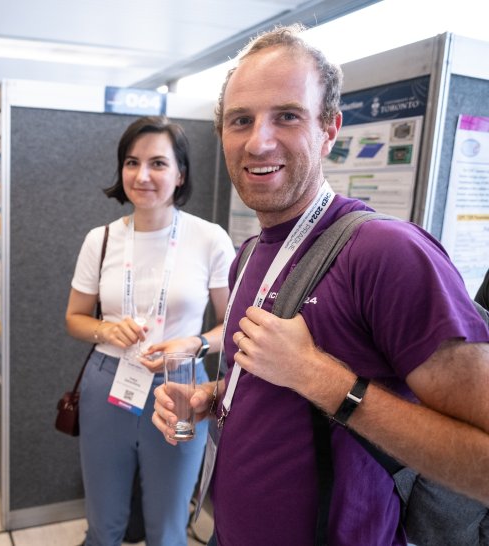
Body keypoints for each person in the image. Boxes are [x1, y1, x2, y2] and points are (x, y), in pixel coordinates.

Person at [152, 24, 489, 545]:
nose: (259, 140)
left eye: (286, 116)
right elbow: (275, 393)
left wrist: (321, 378)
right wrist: (212, 397)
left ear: (329, 129)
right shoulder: (248, 257)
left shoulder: (386, 254)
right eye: (241, 120)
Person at [65, 116, 234, 546]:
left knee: (168, 527)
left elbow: (231, 325)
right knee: (104, 526)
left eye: (157, 163)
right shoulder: (100, 239)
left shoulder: (209, 238)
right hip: (109, 386)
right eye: (131, 162)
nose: (142, 175)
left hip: (183, 388)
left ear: (180, 174)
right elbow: (75, 318)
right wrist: (106, 329)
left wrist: (195, 342)